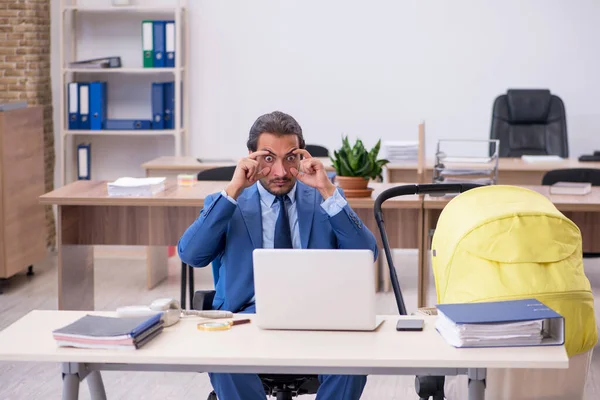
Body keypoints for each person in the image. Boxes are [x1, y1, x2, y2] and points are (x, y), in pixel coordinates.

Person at [178, 110, 378, 400]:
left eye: (290, 158)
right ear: (251, 157)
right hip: (245, 317)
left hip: (320, 316)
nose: (281, 172)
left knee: (353, 361)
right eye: (269, 158)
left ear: (302, 158)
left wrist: (327, 189)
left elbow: (367, 253)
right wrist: (233, 190)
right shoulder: (228, 202)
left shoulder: (325, 198)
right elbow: (191, 254)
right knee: (225, 359)